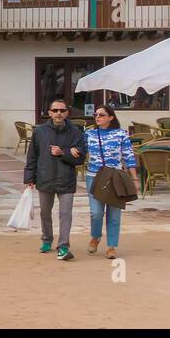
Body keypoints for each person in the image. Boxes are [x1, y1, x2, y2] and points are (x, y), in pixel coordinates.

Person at [24, 99, 87, 261]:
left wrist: (62, 153)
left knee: (65, 214)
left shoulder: (76, 133)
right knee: (45, 212)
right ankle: (47, 239)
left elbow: (80, 158)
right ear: (50, 113)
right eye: (55, 110)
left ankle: (64, 245)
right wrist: (29, 177)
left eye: (62, 110)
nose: (59, 113)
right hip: (45, 177)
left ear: (67, 113)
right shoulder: (40, 132)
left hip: (66, 179)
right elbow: (32, 156)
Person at [85, 105, 137, 260]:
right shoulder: (89, 134)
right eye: (96, 114)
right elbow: (79, 149)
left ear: (111, 117)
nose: (97, 117)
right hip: (93, 176)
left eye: (101, 114)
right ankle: (96, 236)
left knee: (114, 214)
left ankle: (111, 246)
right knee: (96, 212)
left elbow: (129, 156)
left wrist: (134, 178)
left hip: (115, 177)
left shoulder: (121, 134)